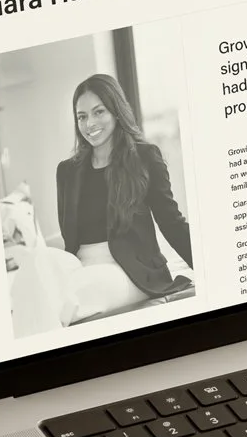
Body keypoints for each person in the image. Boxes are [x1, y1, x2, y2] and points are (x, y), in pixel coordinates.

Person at [52, 72, 193, 317]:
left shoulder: (145, 157)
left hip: (131, 271)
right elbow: (69, 240)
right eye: (82, 117)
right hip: (81, 267)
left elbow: (172, 222)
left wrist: (209, 266)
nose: (90, 124)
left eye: (99, 112)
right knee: (37, 269)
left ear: (116, 111)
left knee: (70, 297)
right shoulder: (67, 171)